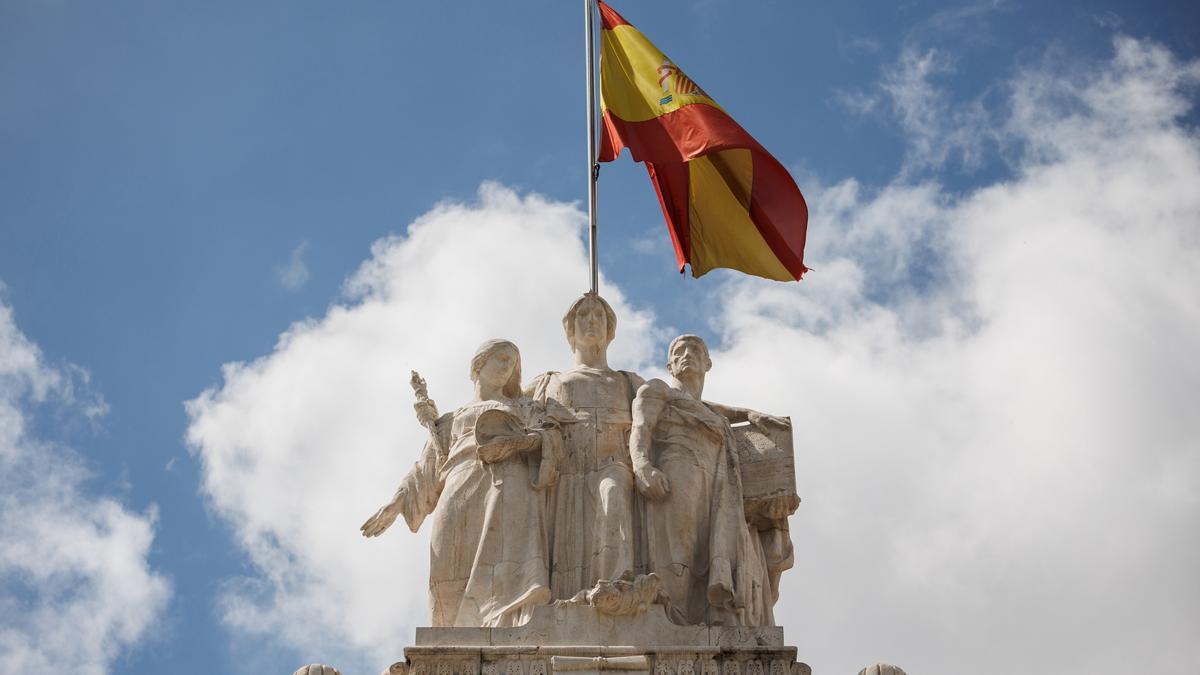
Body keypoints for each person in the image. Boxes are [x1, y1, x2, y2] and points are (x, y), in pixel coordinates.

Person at [360, 339, 559, 627]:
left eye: (512, 363)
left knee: (507, 569)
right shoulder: (450, 420)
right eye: (501, 358)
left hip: (508, 484)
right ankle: (448, 636)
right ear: (479, 364)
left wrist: (522, 442)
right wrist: (396, 503)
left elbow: (549, 440)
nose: (507, 366)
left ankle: (508, 629)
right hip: (458, 483)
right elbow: (426, 467)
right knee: (446, 565)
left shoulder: (525, 407)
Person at [629, 334, 774, 625]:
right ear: (670, 365)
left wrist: (747, 413)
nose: (687, 354)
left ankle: (704, 619)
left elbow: (706, 408)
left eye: (695, 350)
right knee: (677, 550)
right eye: (679, 351)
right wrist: (642, 464)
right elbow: (641, 427)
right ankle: (674, 622)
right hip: (677, 471)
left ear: (708, 363)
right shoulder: (657, 390)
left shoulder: (708, 411)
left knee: (708, 552)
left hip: (718, 486)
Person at [526, 293, 645, 599]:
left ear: (610, 331)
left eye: (599, 316)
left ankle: (617, 587)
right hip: (566, 471)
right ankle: (570, 601)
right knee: (569, 540)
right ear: (570, 330)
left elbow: (678, 407)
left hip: (613, 462)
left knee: (613, 495)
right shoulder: (549, 382)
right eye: (583, 315)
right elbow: (508, 406)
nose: (591, 320)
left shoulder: (629, 382)